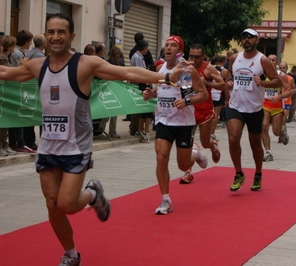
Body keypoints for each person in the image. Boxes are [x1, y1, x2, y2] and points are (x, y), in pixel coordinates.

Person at [0, 13, 184, 265]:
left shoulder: (85, 64)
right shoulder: (37, 65)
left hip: (76, 146)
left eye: (61, 32)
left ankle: (93, 193)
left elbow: (126, 70)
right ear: (45, 35)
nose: (55, 37)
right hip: (48, 147)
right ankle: (71, 254)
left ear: (71, 36)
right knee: (53, 206)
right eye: (51, 32)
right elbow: (6, 73)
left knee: (67, 204)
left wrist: (165, 77)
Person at [142, 35, 208, 214]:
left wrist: (186, 102)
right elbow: (162, 89)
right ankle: (166, 200)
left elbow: (203, 94)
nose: (168, 48)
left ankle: (196, 152)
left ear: (180, 51)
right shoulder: (160, 69)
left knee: (182, 165)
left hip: (183, 123)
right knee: (161, 157)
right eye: (166, 45)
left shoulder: (188, 71)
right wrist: (151, 94)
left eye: (173, 46)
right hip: (163, 120)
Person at [226, 28, 281, 192]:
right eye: (244, 38)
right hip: (236, 106)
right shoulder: (234, 58)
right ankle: (238, 173)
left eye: (250, 37)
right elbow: (229, 74)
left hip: (255, 108)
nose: (246, 40)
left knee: (255, 144)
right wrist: (229, 81)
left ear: (257, 40)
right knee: (233, 139)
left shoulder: (262, 60)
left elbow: (278, 81)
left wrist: (263, 83)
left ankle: (258, 174)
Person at [177, 44, 225, 184]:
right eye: (191, 56)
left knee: (205, 142)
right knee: (186, 144)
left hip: (204, 109)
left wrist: (208, 84)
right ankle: (188, 172)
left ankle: (213, 145)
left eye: (197, 57)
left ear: (203, 56)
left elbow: (223, 85)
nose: (193, 59)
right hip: (188, 109)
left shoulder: (208, 68)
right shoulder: (184, 67)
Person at [9, 29, 35, 153]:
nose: (30, 44)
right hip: (16, 88)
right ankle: (18, 143)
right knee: (17, 115)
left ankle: (17, 142)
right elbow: (17, 70)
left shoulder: (21, 53)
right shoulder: (17, 54)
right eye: (30, 41)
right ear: (26, 41)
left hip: (20, 87)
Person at [262, 57, 293, 162]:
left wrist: (278, 97)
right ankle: (268, 152)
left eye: (273, 60)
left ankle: (282, 132)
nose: (271, 62)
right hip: (265, 105)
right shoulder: (263, 73)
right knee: (264, 127)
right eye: (269, 60)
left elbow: (290, 91)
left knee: (276, 132)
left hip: (277, 106)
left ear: (277, 63)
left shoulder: (282, 76)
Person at [24, 34, 47, 150]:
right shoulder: (39, 56)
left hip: (29, 90)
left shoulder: (29, 53)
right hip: (37, 90)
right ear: (43, 43)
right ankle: (33, 141)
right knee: (39, 115)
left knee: (30, 114)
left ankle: (28, 140)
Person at [131, 40, 153, 142]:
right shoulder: (138, 57)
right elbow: (141, 72)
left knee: (142, 110)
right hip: (140, 84)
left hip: (140, 83)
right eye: (147, 48)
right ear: (144, 48)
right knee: (145, 109)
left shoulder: (138, 56)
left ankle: (139, 130)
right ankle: (141, 130)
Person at [0, 35, 18, 156]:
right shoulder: (2, 58)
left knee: (5, 121)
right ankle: (1, 145)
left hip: (6, 94)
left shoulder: (8, 57)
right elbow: (10, 72)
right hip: (3, 93)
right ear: (11, 46)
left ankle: (4, 143)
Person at [209, 54, 230, 142]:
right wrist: (227, 98)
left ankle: (207, 132)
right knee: (216, 114)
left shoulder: (210, 67)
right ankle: (212, 134)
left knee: (209, 114)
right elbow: (225, 85)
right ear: (224, 61)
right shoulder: (224, 71)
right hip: (218, 94)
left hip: (210, 93)